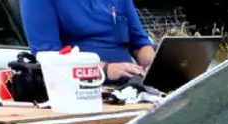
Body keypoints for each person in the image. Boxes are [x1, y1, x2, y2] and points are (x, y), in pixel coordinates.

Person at [19, 0, 157, 84]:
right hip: (79, 93)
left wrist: (155, 65)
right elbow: (48, 56)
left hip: (129, 91)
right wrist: (106, 69)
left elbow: (140, 44)